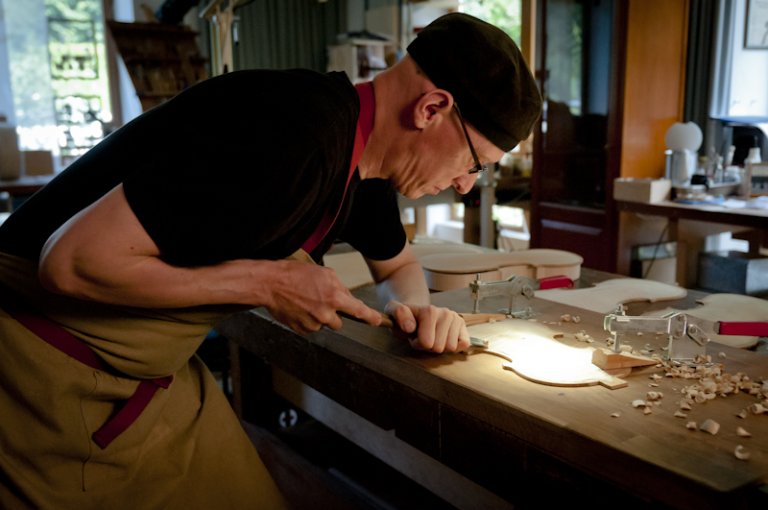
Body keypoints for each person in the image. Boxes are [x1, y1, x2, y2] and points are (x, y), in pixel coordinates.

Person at [0, 12, 541, 510]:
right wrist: (267, 283)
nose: (467, 185)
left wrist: (416, 312)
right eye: (474, 163)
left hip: (148, 376)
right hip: (42, 368)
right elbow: (69, 263)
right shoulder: (291, 132)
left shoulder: (367, 164)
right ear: (431, 108)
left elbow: (398, 268)